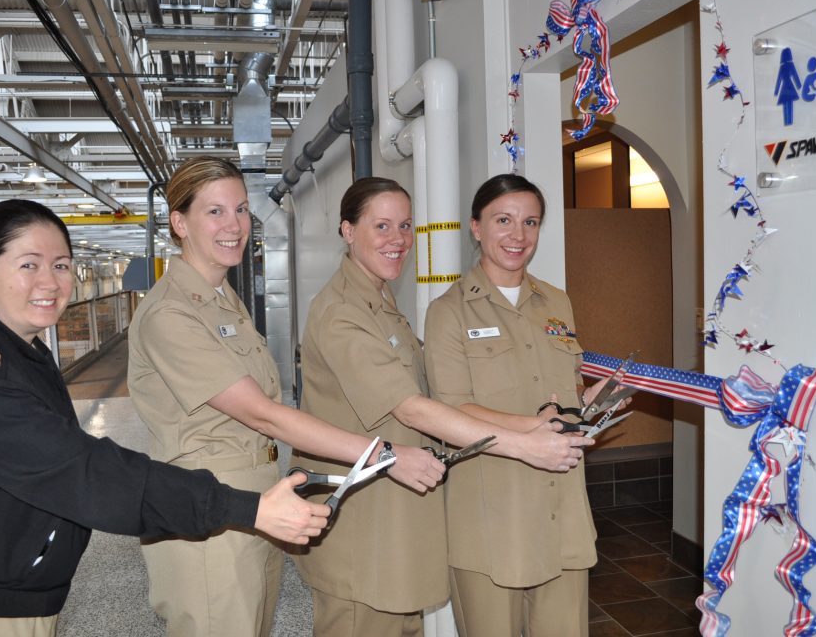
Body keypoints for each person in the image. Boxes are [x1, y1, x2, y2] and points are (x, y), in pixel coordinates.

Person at [0, 199, 329, 637]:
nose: (50, 282)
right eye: (28, 265)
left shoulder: (21, 353)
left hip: (9, 603)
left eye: (61, 265)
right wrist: (246, 508)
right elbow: (86, 472)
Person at [127, 158, 444, 637]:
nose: (234, 225)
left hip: (254, 500)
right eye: (215, 212)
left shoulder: (222, 301)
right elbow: (264, 415)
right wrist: (385, 455)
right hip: (205, 509)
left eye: (240, 209)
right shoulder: (170, 314)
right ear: (179, 223)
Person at [293, 176, 592, 637]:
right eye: (382, 226)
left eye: (405, 226)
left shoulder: (382, 303)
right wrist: (526, 441)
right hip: (364, 520)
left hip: (400, 513)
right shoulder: (345, 311)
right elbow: (415, 407)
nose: (397, 239)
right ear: (348, 230)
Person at [424, 173, 611, 637]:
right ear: (476, 227)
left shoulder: (556, 302)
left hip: (561, 512)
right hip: (492, 519)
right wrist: (533, 425)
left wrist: (591, 403)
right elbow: (450, 407)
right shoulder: (448, 311)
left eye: (531, 222)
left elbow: (566, 392)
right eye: (503, 220)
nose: (519, 235)